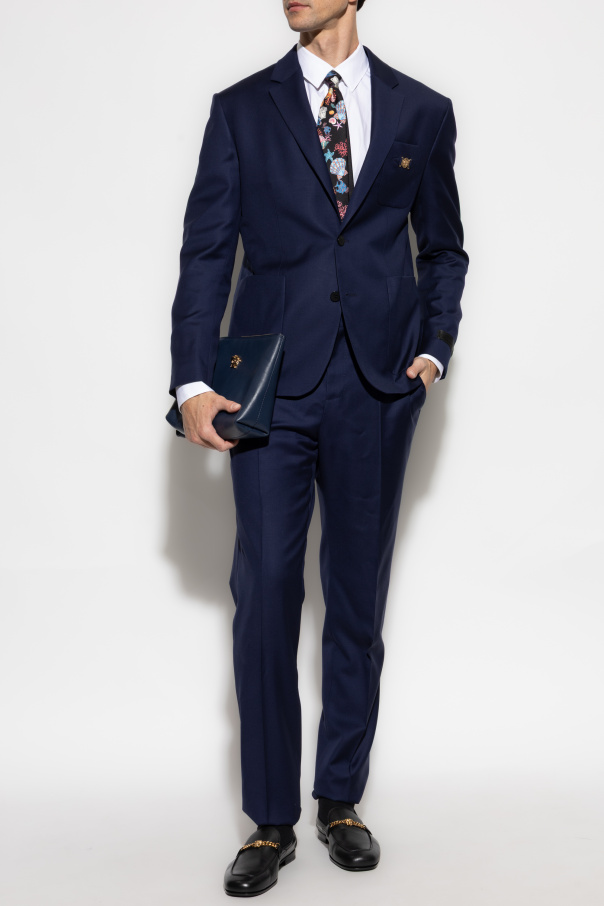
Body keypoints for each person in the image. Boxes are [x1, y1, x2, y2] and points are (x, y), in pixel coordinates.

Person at [168, 0, 469, 896]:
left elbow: (443, 248)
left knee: (356, 598)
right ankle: (270, 821)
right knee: (263, 592)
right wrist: (190, 381)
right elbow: (206, 252)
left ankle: (340, 799)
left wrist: (433, 350)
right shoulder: (241, 108)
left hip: (376, 387)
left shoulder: (422, 110)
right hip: (267, 387)